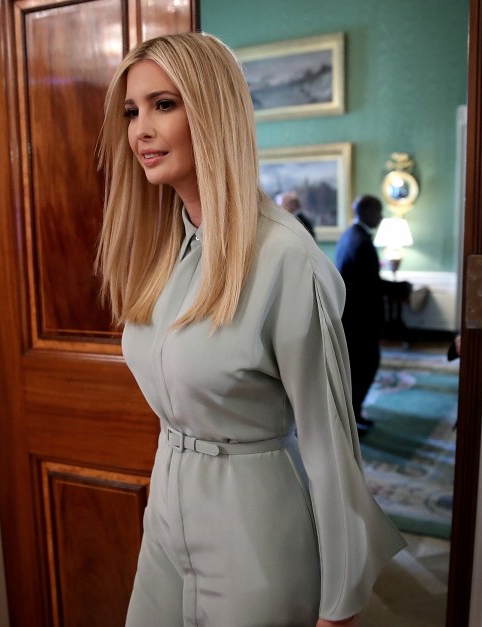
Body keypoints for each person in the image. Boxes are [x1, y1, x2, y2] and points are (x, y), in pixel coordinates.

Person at [96, 32, 405, 627]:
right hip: (166, 511)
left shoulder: (286, 258)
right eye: (132, 111)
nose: (140, 130)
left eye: (164, 105)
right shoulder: (164, 251)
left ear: (212, 110)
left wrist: (340, 603)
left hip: (256, 523)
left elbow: (330, 442)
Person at [334, 195, 411, 433]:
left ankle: (353, 415)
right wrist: (401, 287)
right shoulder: (361, 241)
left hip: (351, 315)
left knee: (357, 368)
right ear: (366, 211)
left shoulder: (350, 235)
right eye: (378, 211)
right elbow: (370, 284)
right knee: (365, 367)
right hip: (360, 318)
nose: (380, 217)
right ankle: (352, 418)